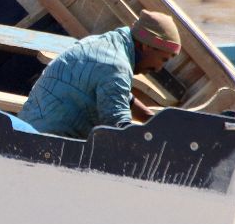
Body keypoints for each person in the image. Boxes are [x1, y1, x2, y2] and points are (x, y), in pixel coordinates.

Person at [18, 9, 181, 137]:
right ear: (146, 46)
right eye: (163, 59)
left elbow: (118, 94)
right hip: (44, 141)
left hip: (26, 125)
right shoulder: (117, 66)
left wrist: (153, 120)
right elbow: (118, 127)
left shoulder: (101, 43)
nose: (159, 69)